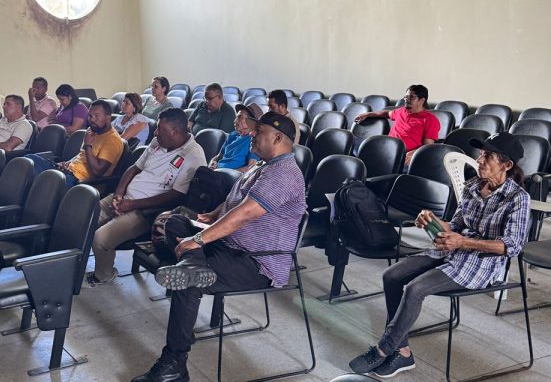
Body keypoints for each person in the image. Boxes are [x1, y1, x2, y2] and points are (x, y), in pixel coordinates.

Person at [131, 112, 305, 382]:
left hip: (257, 261)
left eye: (259, 132)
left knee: (187, 283)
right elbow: (236, 200)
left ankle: (175, 363)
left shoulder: (283, 174)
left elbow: (245, 214)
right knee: (176, 221)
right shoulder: (264, 165)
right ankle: (193, 265)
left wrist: (199, 239)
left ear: (278, 137)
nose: (252, 135)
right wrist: (213, 215)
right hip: (229, 246)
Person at [349, 132, 530, 378]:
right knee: (391, 276)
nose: (479, 160)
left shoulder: (518, 198)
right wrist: (432, 221)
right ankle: (403, 352)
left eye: (488, 156)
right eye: (481, 154)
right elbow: (455, 226)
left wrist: (463, 241)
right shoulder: (473, 185)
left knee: (415, 289)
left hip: (482, 264)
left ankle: (383, 349)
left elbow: (512, 246)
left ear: (507, 165)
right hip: (453, 250)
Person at [87, 108, 206, 286]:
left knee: (100, 239)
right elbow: (134, 168)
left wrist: (132, 205)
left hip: (145, 212)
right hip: (124, 199)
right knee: (84, 220)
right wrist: (119, 193)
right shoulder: (158, 142)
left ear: (174, 131)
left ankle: (104, 275)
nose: (155, 132)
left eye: (160, 129)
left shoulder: (193, 155)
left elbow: (176, 196)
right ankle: (72, 263)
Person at [26, 100, 125, 188]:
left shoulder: (112, 140)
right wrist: (67, 163)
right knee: (29, 160)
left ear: (108, 117)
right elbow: (81, 155)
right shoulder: (93, 130)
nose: (92, 119)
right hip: (68, 171)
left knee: (39, 178)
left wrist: (88, 145)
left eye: (97, 116)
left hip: (79, 181)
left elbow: (97, 171)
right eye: (90, 116)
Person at [354, 84, 440, 165]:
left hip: (404, 156)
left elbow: (427, 147)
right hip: (385, 150)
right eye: (406, 97)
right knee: (358, 148)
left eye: (411, 97)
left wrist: (414, 153)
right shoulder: (401, 111)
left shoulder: (430, 120)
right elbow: (386, 113)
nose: (407, 99)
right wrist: (368, 114)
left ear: (422, 100)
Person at [207, 103, 261, 172]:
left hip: (228, 175)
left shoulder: (254, 141)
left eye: (239, 117)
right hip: (216, 171)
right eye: (236, 117)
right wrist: (212, 163)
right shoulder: (232, 135)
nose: (235, 121)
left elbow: (251, 168)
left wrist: (227, 173)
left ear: (250, 122)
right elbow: (218, 157)